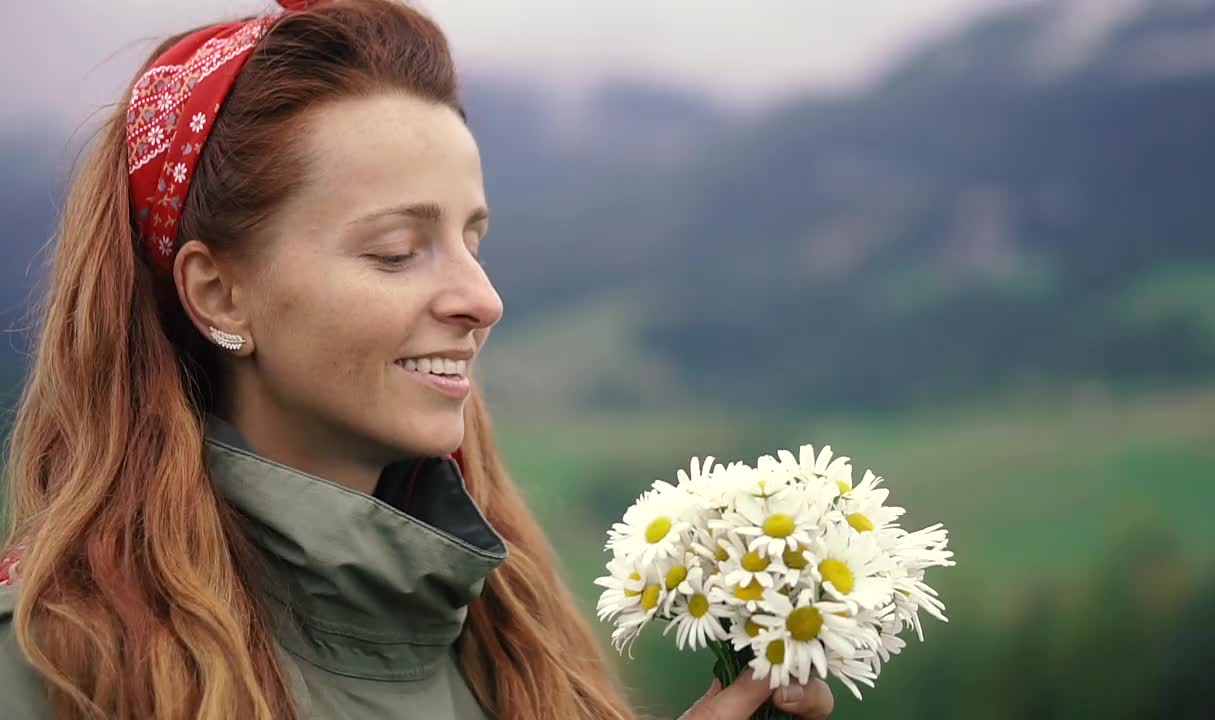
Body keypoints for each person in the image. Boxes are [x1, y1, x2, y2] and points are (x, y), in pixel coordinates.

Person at [0, 1, 835, 718]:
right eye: (398, 251)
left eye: (472, 240)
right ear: (219, 295)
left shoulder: (516, 641)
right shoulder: (50, 670)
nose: (483, 300)